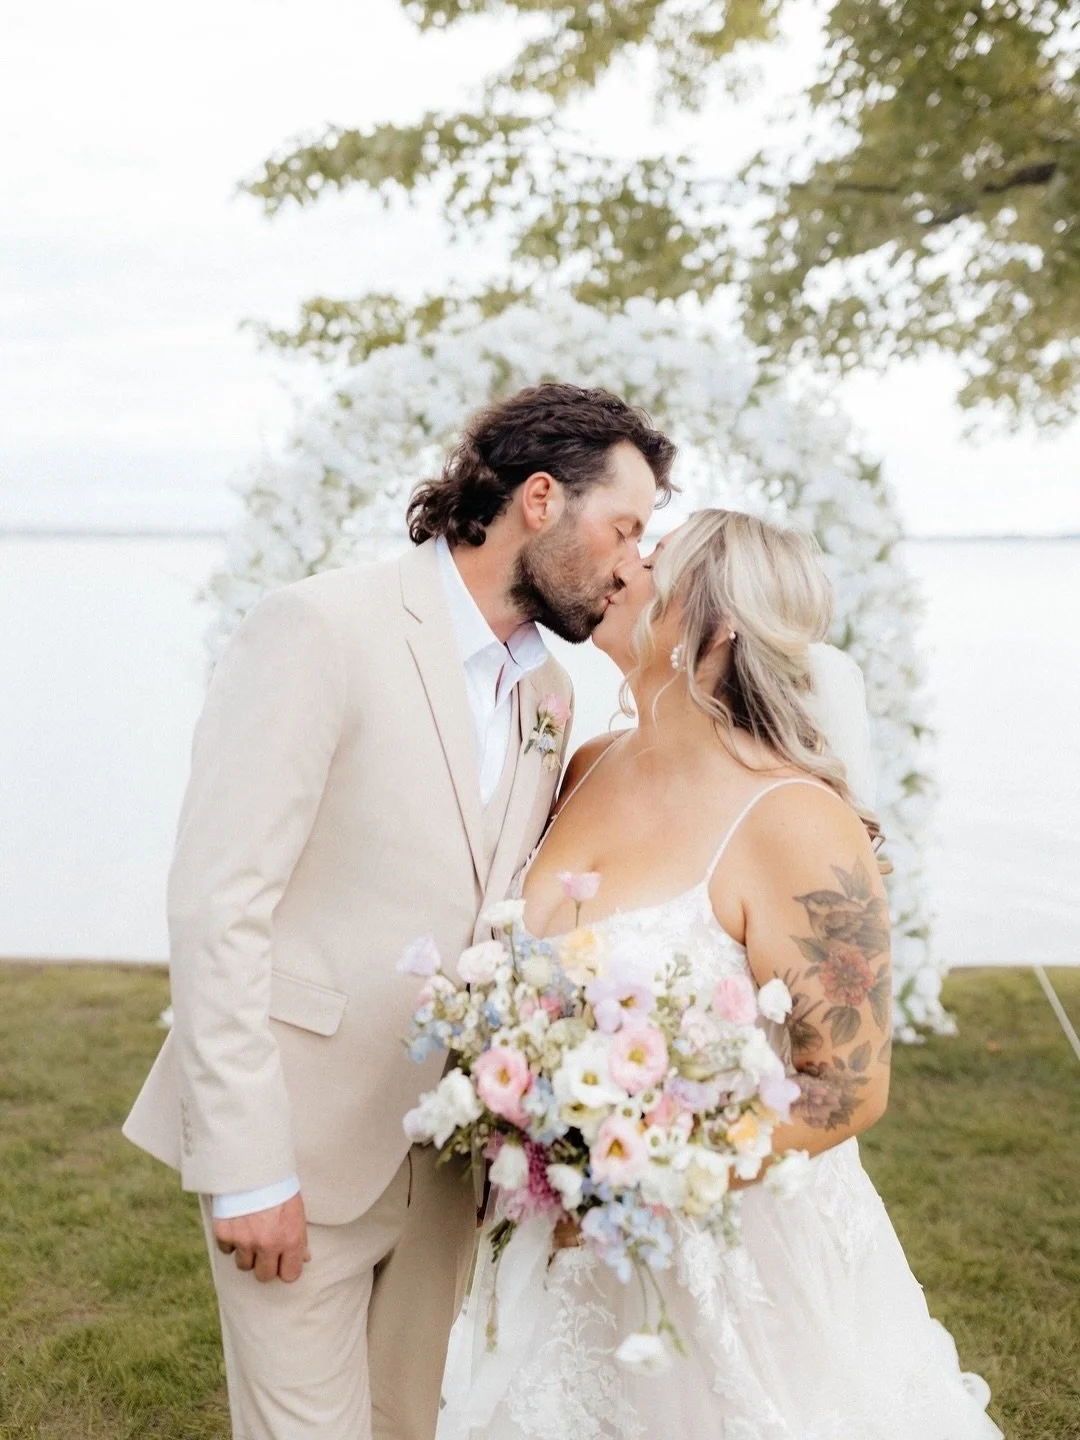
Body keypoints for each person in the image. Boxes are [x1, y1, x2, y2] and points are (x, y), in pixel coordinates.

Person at [122, 382, 676, 1440]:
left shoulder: (551, 696)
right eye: (623, 528)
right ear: (542, 500)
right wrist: (247, 1168)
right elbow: (217, 905)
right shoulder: (319, 627)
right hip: (298, 1140)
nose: (629, 562)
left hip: (448, 1165)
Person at [440, 509, 1001, 1439]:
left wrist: (638, 1174)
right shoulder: (585, 767)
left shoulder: (796, 820)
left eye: (652, 560)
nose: (621, 567)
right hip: (555, 1238)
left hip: (727, 1260)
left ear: (718, 623)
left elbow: (850, 1086)